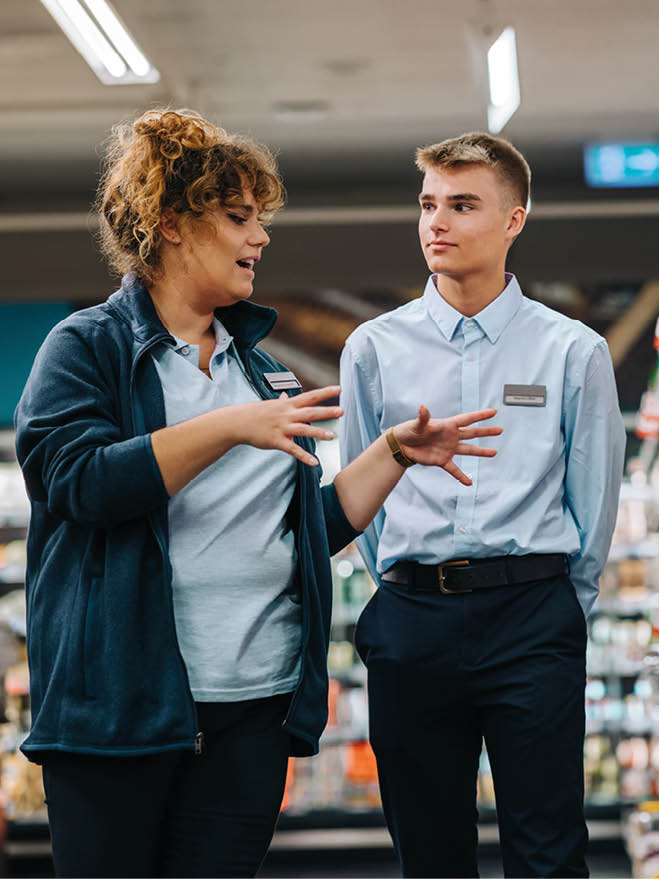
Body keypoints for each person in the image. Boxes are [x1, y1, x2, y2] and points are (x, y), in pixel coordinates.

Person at [13, 109, 501, 878]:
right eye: (239, 218)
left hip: (253, 711)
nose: (261, 238)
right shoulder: (86, 349)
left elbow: (302, 529)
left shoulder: (259, 368)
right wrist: (228, 428)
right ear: (171, 224)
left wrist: (395, 454)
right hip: (121, 712)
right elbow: (76, 482)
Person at [338, 132, 625, 877]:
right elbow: (357, 498)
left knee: (549, 849)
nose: (438, 222)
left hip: (531, 617)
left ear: (513, 220)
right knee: (429, 856)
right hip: (412, 620)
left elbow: (593, 502)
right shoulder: (373, 348)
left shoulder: (572, 351)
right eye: (429, 204)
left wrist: (562, 607)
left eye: (463, 204)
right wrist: (404, 590)